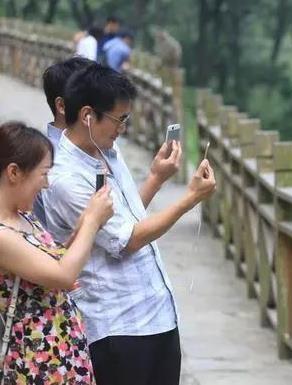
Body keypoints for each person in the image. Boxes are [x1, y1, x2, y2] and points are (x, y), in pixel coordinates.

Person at [43, 64, 216, 385]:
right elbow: (127, 239)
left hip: (157, 312)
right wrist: (189, 199)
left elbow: (126, 216)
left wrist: (155, 177)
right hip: (117, 326)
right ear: (87, 116)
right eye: (118, 119)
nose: (122, 128)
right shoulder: (65, 179)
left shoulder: (106, 149)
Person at [0, 121, 114, 385]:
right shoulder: (3, 235)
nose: (47, 183)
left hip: (60, 354)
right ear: (14, 172)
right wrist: (92, 222)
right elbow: (63, 275)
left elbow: (56, 258)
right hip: (33, 364)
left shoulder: (24, 216)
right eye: (43, 174)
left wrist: (88, 219)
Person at [33, 56, 94, 226]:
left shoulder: (100, 145)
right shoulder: (53, 163)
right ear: (62, 106)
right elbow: (117, 239)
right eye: (95, 100)